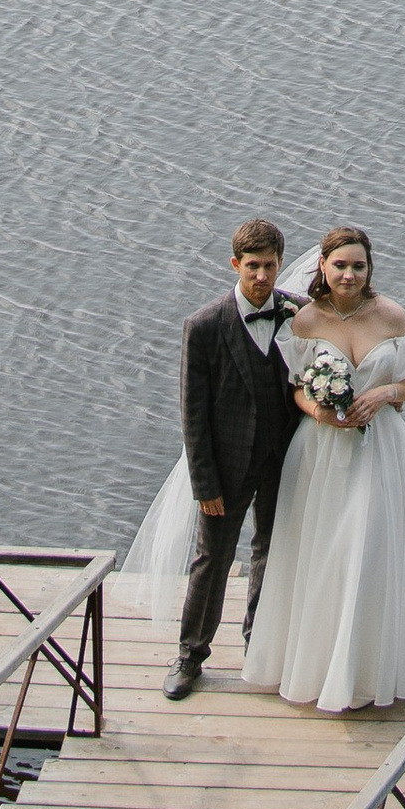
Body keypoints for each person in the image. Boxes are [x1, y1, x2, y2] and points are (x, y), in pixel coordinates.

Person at [241, 224, 405, 715]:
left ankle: (369, 668)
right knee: (325, 552)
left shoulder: (392, 316)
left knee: (373, 547)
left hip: (381, 449)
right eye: (340, 265)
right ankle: (319, 667)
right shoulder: (305, 322)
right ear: (322, 267)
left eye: (358, 265)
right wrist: (319, 411)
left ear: (369, 269)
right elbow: (296, 386)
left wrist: (388, 393)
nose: (348, 274)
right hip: (322, 452)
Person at [119, 216, 305, 703]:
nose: (262, 276)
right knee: (212, 560)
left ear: (281, 264)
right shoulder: (203, 326)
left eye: (269, 266)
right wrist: (205, 486)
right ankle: (190, 655)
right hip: (226, 466)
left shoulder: (299, 315)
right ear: (235, 264)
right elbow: (193, 415)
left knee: (272, 551)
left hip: (286, 459)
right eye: (252, 266)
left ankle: (258, 645)